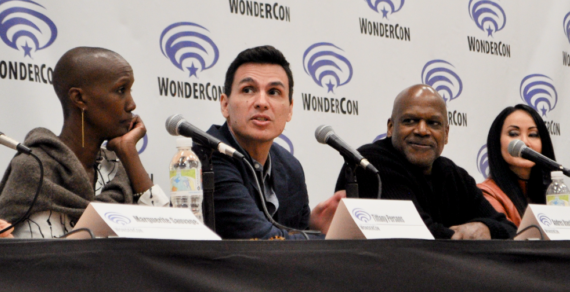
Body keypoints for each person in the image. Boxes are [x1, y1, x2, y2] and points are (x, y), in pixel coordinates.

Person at [0, 47, 168, 238]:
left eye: (129, 90)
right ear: (79, 98)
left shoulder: (117, 168)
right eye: (121, 90)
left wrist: (129, 154)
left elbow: (171, 237)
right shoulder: (34, 167)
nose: (132, 104)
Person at [334, 84, 516, 239]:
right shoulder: (370, 162)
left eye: (433, 123)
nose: (422, 130)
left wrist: (486, 229)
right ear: (390, 128)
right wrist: (460, 236)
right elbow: (419, 234)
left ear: (446, 134)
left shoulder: (453, 174)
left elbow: (511, 230)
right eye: (410, 121)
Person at [206, 45, 343, 240]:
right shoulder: (208, 157)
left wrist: (314, 228)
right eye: (248, 90)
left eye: (274, 92)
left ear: (290, 109)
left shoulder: (290, 167)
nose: (262, 102)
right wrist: (332, 239)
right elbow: (263, 240)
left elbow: (296, 241)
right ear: (225, 105)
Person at [477, 104, 555, 226]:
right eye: (513, 134)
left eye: (533, 134)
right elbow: (506, 235)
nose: (524, 142)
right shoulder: (486, 194)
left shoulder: (553, 192)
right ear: (497, 142)